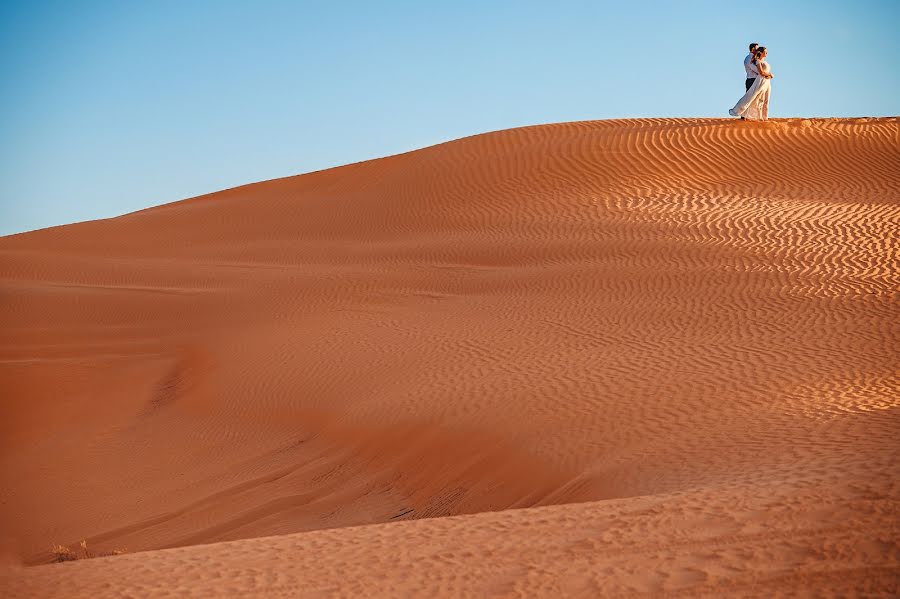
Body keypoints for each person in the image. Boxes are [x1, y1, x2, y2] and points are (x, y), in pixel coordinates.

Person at [729, 46, 773, 121]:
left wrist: (768, 75)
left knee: (763, 99)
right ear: (753, 49)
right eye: (756, 48)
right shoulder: (750, 58)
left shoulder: (759, 59)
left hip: (764, 81)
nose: (757, 50)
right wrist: (769, 74)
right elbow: (759, 71)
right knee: (750, 97)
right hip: (753, 80)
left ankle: (763, 117)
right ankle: (743, 115)